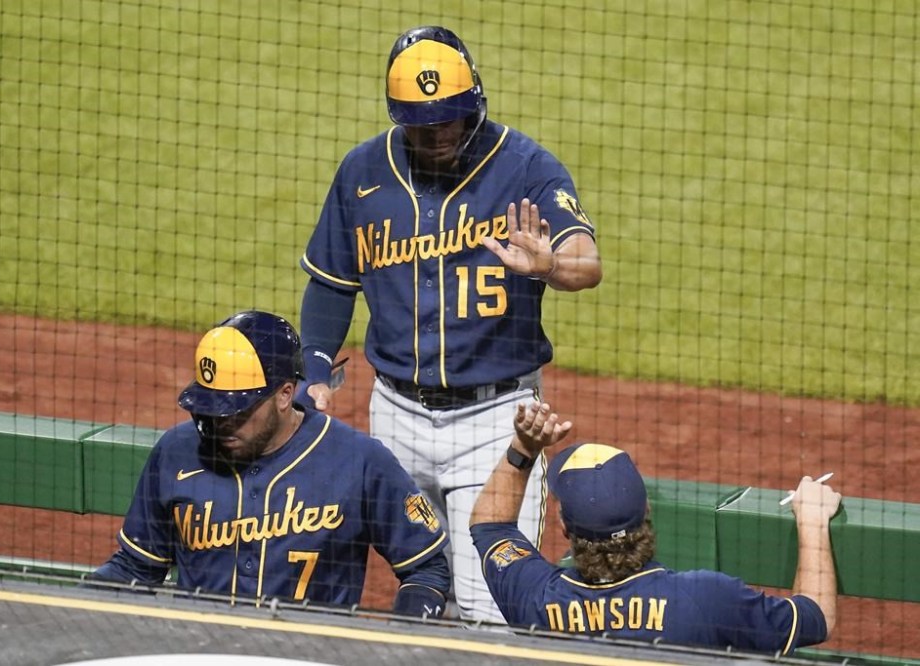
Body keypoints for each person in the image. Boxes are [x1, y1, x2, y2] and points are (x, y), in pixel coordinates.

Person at [297, 25, 602, 622]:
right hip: (393, 419)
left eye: (448, 120)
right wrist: (312, 368)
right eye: (420, 124)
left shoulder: (524, 167)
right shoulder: (362, 170)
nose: (436, 134)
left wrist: (550, 265)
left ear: (475, 104)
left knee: (490, 609)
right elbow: (332, 282)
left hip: (495, 423)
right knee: (418, 590)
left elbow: (587, 264)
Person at [88, 309, 450, 618]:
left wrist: (405, 634)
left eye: (236, 412)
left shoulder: (358, 461)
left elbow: (426, 567)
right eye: (210, 410)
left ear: (285, 394)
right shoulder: (176, 452)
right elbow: (136, 567)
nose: (220, 424)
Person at [470, 401, 842, 654]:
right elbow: (815, 619)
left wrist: (524, 447)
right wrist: (812, 522)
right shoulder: (708, 600)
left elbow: (490, 525)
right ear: (646, 511)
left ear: (566, 528)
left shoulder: (537, 598)